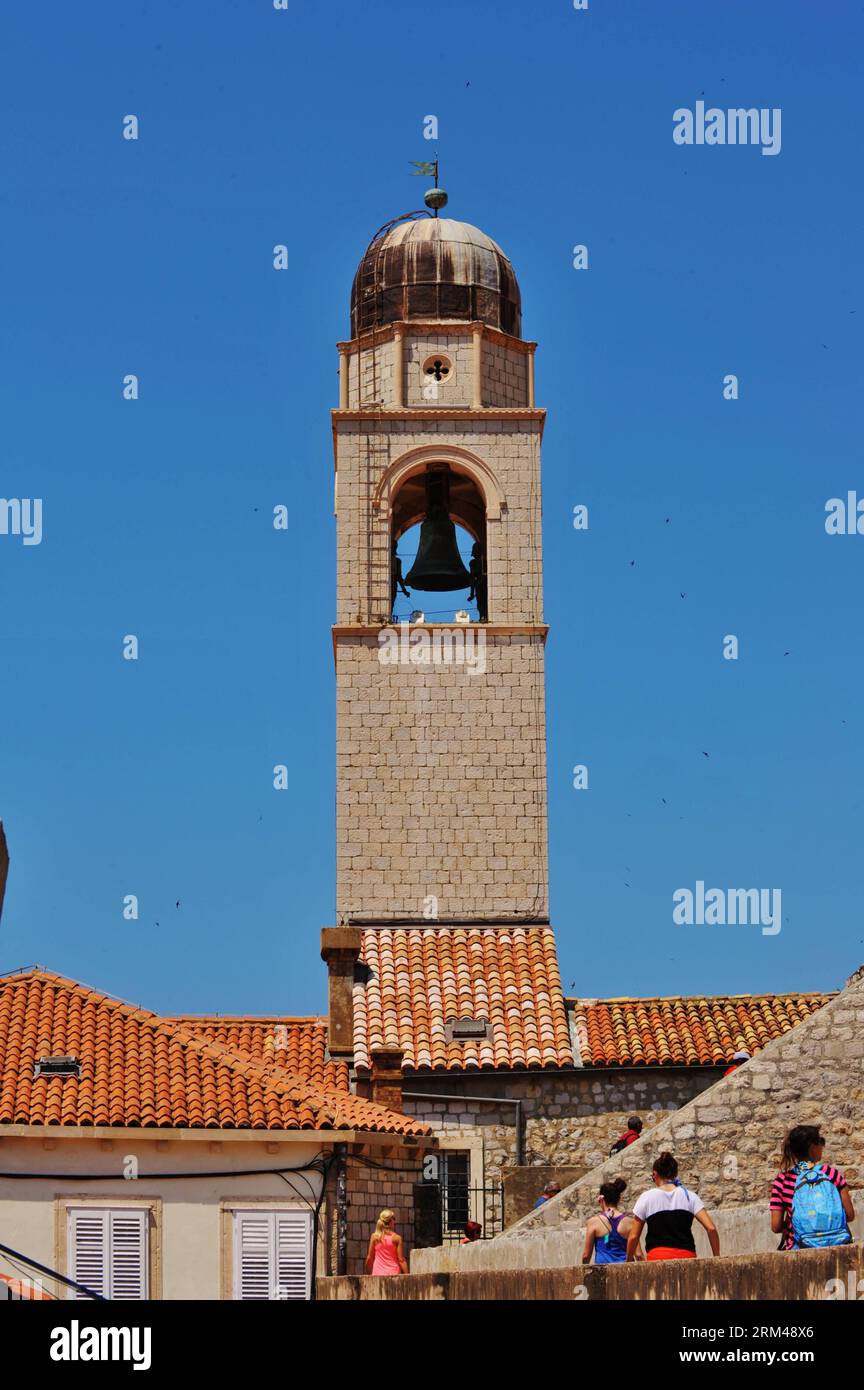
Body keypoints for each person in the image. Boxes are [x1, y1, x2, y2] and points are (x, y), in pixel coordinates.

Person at [770, 1125, 854, 1251]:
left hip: (800, 1249)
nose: (822, 1146)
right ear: (813, 1147)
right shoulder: (830, 1173)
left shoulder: (782, 1181)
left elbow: (776, 1226)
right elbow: (850, 1215)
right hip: (838, 1245)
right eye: (821, 1142)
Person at [626, 1152, 720, 1262]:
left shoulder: (646, 1198)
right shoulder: (690, 1196)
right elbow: (711, 1228)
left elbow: (633, 1237)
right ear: (675, 1174)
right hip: (687, 1256)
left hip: (657, 1257)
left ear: (655, 1174)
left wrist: (628, 1261)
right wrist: (717, 1257)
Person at [581, 1178, 640, 1264]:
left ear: (601, 1198)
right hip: (624, 1271)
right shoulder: (630, 1222)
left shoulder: (593, 1222)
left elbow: (586, 1255)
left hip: (603, 1272)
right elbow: (638, 1254)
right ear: (618, 1199)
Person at [365, 1209, 409, 1276]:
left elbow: (370, 1257)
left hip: (378, 1274)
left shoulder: (375, 1237)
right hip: (394, 1273)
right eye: (393, 1219)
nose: (395, 1221)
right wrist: (407, 1275)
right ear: (390, 1221)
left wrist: (368, 1273)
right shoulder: (397, 1238)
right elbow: (401, 1260)